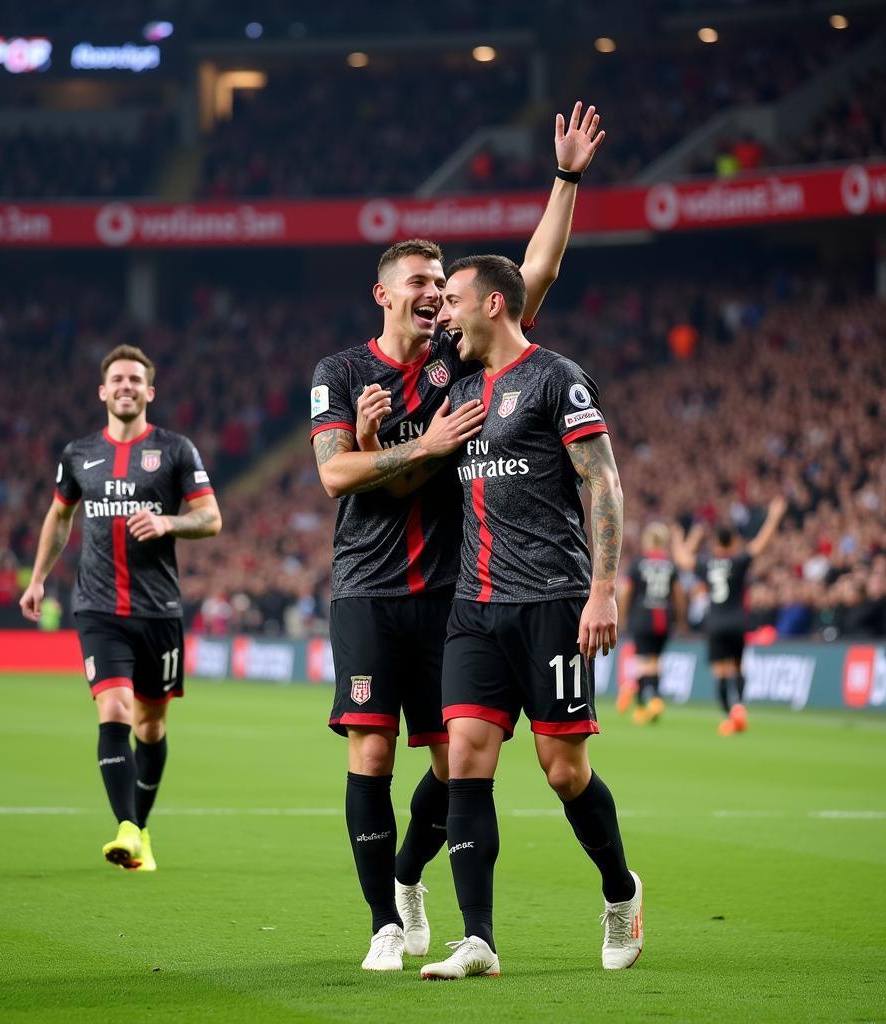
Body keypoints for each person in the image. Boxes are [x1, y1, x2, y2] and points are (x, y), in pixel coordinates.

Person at [310, 102, 606, 973]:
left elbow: (534, 275)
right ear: (384, 293)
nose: (435, 294)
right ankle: (383, 925)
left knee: (454, 760)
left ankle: (409, 876)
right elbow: (332, 475)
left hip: (453, 589)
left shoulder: (458, 358)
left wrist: (566, 180)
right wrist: (412, 445)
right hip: (367, 586)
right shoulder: (342, 373)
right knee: (370, 748)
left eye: (442, 284)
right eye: (419, 283)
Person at [412, 252, 640, 980]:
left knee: (563, 771)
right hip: (473, 607)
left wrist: (602, 589)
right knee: (467, 761)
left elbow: (603, 480)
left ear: (494, 306)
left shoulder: (556, 379)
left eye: (452, 299)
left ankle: (620, 892)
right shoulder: (461, 388)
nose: (442, 313)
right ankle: (477, 939)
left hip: (552, 602)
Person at [19, 345, 222, 870]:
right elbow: (59, 517)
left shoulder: (176, 450)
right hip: (97, 607)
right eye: (117, 379)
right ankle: (127, 829)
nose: (126, 386)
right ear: (103, 391)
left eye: (136, 379)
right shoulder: (78, 453)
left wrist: (168, 523)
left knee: (151, 728)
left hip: (159, 611)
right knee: (113, 710)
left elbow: (210, 518)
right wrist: (38, 578)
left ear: (149, 391)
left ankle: (142, 829)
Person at [673, 496, 787, 735]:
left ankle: (728, 717)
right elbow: (760, 544)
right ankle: (739, 707)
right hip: (737, 621)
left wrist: (680, 537)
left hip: (715, 623)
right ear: (734, 542)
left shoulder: (707, 563)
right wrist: (774, 516)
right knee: (737, 666)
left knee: (721, 672)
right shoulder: (738, 560)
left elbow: (683, 559)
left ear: (715, 543)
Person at [616, 522, 685, 724]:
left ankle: (652, 699)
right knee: (655, 661)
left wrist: (623, 616)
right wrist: (680, 620)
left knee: (642, 662)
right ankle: (642, 705)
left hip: (642, 617)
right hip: (664, 618)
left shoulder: (638, 563)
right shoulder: (670, 565)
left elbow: (627, 591)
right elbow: (679, 595)